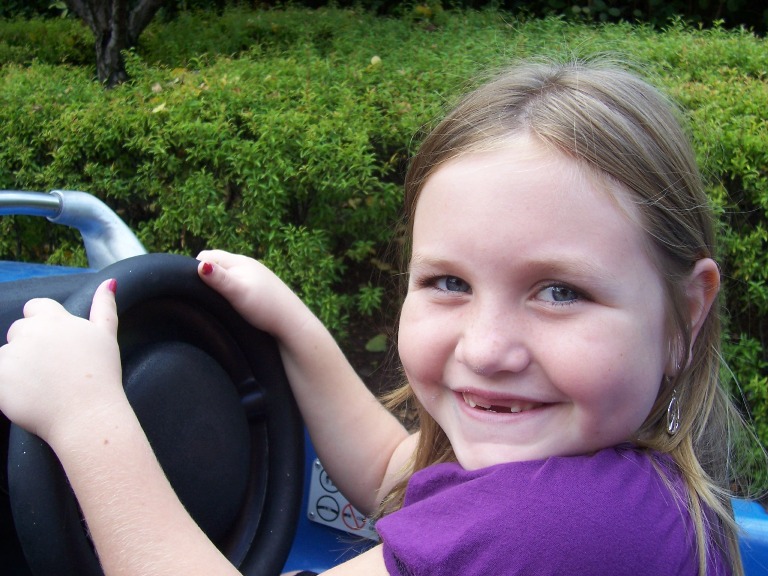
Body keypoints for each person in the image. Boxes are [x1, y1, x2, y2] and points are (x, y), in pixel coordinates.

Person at [0, 58, 758, 575]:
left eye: (559, 292)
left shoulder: (551, 532)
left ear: (684, 315)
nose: (486, 348)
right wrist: (294, 327)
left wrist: (87, 418)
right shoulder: (632, 490)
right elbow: (396, 474)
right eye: (449, 282)